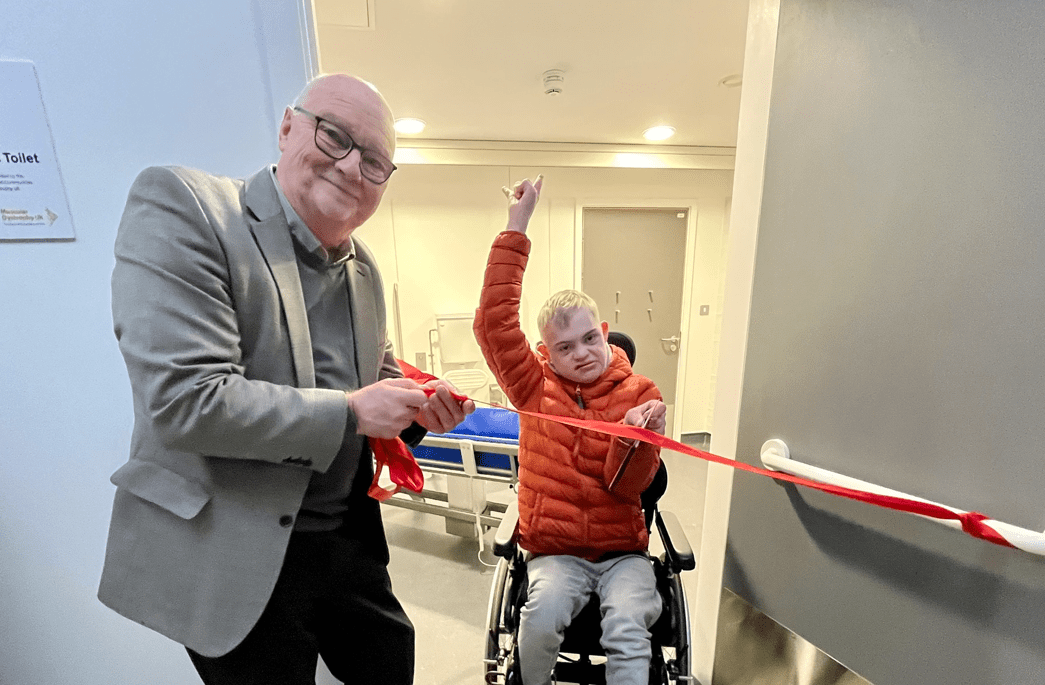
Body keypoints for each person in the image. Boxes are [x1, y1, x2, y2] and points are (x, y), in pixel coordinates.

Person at [98, 73, 474, 685]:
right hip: (235, 547)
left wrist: (419, 402)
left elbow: (374, 375)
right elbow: (185, 401)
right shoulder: (186, 206)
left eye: (375, 161)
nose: (353, 168)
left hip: (347, 542)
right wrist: (353, 413)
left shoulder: (363, 266)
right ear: (287, 127)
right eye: (335, 137)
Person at [473, 177, 668, 685]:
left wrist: (636, 437)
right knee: (538, 620)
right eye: (564, 348)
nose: (580, 353)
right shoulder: (532, 389)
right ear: (547, 353)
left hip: (623, 553)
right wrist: (517, 225)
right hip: (555, 554)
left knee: (629, 629)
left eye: (588, 339)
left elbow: (628, 487)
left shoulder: (639, 390)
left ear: (604, 333)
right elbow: (494, 325)